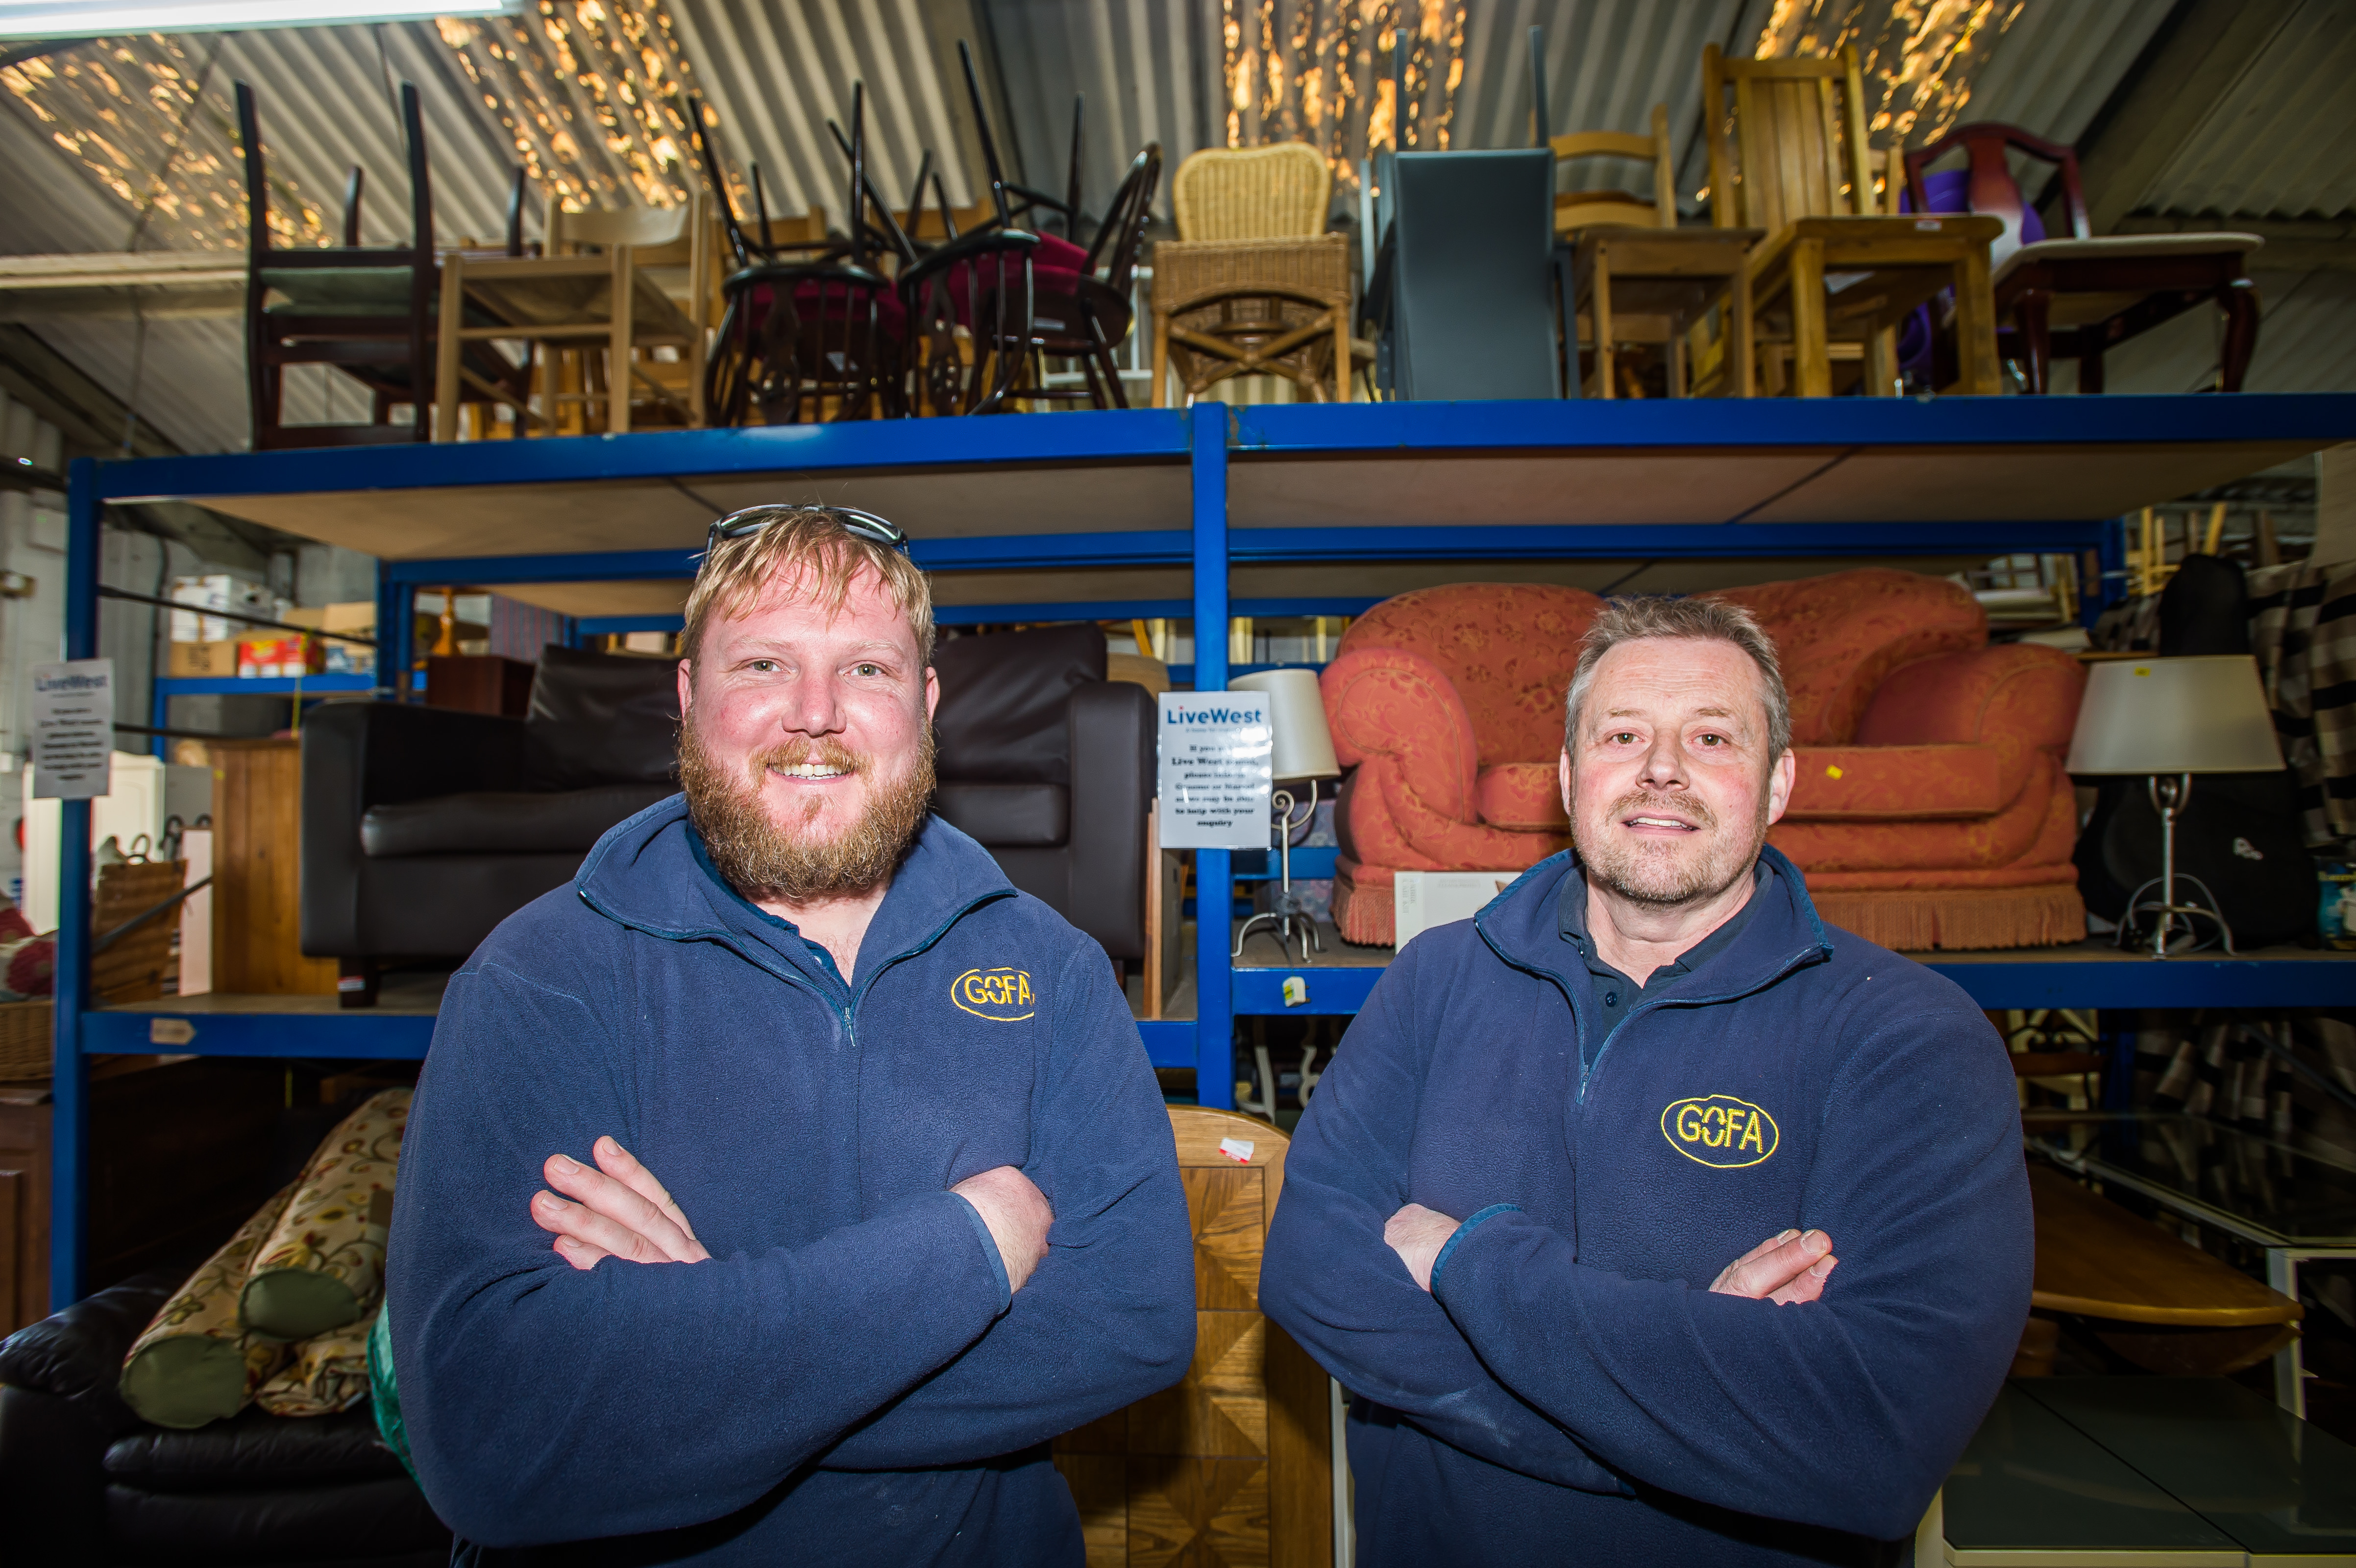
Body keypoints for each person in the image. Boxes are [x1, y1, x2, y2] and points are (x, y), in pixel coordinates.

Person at [385, 506, 1195, 1564]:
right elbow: (494, 1436)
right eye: (764, 663)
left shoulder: (1054, 969)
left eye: (866, 668)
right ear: (687, 699)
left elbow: (1136, 1319)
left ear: (925, 704)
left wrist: (689, 1350)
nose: (815, 714)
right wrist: (972, 1245)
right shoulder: (540, 976)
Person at [1260, 595, 2032, 1566]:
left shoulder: (1907, 1037)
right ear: (1573, 776)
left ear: (1779, 781)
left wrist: (1466, 1264)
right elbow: (1309, 1275)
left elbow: (1874, 1437)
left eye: (1711, 736)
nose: (1661, 766)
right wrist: (1692, 1399)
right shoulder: (1435, 978)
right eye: (1623, 734)